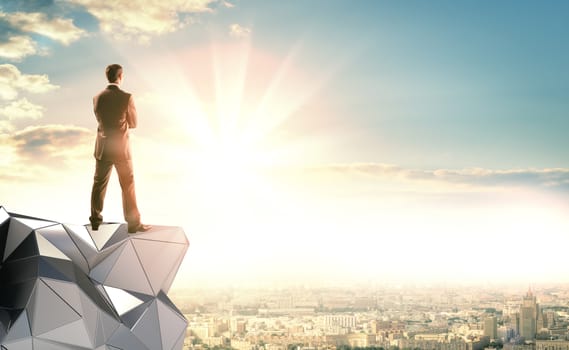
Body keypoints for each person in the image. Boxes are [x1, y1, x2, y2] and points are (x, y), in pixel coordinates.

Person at [89, 64, 151, 234]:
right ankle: (133, 224)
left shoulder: (97, 97)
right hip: (121, 149)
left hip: (102, 148)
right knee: (127, 186)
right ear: (121, 76)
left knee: (99, 184)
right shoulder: (127, 97)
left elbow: (101, 120)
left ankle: (95, 221)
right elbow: (134, 123)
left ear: (107, 77)